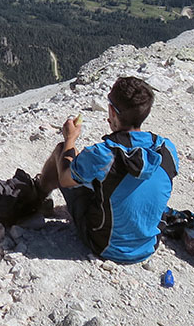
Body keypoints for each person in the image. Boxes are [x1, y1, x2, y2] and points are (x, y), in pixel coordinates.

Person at [37, 76, 178, 263]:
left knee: (61, 152)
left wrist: (70, 139)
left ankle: (37, 200)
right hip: (148, 245)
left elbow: (64, 178)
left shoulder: (103, 154)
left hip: (106, 245)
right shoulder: (167, 149)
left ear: (112, 111)